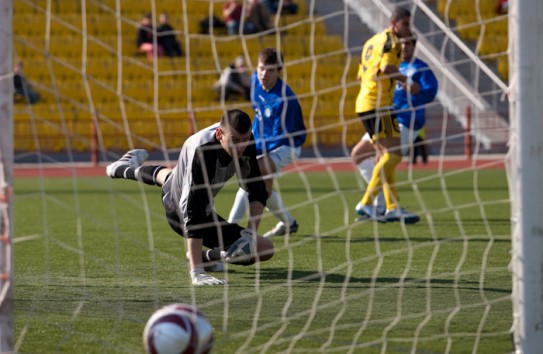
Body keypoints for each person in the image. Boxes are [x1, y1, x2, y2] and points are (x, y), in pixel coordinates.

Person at [106, 109, 275, 286]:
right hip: (179, 212)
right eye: (234, 141)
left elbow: (256, 189)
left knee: (264, 249)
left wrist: (249, 234)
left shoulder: (245, 139)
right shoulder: (203, 152)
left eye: (245, 140)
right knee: (261, 250)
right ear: (219, 134)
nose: (241, 147)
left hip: (189, 192)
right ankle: (201, 261)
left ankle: (120, 168)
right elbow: (194, 210)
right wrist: (197, 273)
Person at [351, 35, 438, 215]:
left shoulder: (421, 68)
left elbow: (430, 93)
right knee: (358, 154)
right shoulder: (389, 61)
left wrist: (412, 93)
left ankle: (375, 204)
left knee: (384, 158)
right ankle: (383, 203)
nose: (404, 47)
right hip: (384, 114)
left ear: (414, 46)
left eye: (408, 44)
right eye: (402, 43)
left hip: (407, 120)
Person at [351, 7, 421, 224]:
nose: (408, 29)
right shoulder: (392, 42)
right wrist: (407, 82)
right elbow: (387, 67)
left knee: (385, 156)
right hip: (380, 105)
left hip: (365, 103)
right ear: (394, 23)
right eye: (406, 24)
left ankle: (392, 208)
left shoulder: (372, 42)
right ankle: (366, 202)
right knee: (395, 155)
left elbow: (360, 75)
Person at [228, 48, 306, 237]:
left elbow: (278, 137)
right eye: (262, 68)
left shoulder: (284, 99)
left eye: (270, 70)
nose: (264, 74)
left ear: (278, 70)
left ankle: (229, 229)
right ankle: (289, 223)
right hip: (265, 142)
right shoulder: (255, 81)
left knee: (252, 173)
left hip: (286, 146)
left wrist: (250, 147)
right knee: (264, 190)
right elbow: (259, 117)